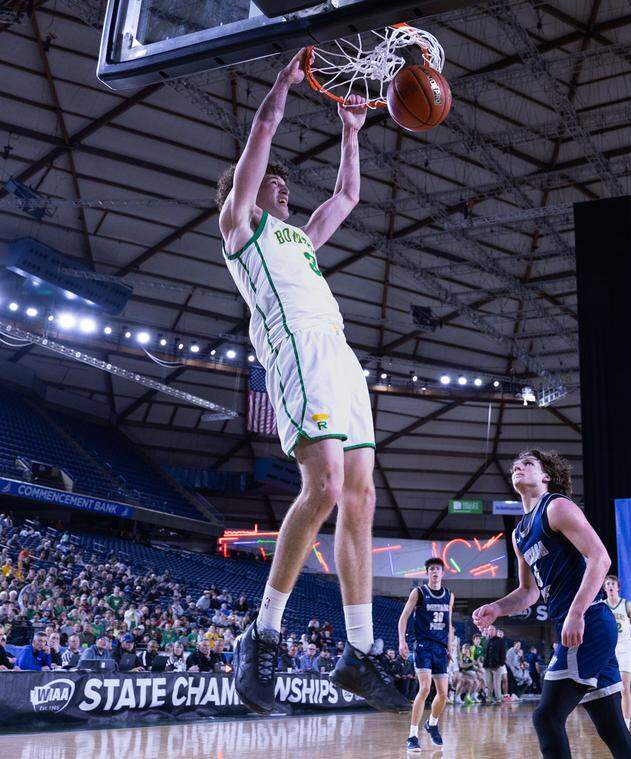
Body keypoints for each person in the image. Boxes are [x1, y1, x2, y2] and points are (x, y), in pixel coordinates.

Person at [218, 50, 395, 716]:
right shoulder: (241, 229)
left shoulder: (301, 241)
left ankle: (360, 648)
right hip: (298, 354)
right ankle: (262, 630)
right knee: (321, 487)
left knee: (361, 496)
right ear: (245, 191)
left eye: (287, 186)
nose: (283, 190)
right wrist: (283, 87)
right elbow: (260, 139)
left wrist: (351, 133)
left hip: (342, 357)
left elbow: (347, 197)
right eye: (275, 185)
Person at [473, 449, 631, 758]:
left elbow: (600, 558)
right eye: (515, 466)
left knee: (546, 717)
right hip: (585, 626)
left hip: (588, 620)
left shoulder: (557, 506)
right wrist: (496, 608)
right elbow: (528, 593)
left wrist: (576, 612)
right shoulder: (519, 533)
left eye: (528, 464)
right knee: (612, 728)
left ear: (546, 476)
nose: (518, 468)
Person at [398, 556, 454, 751]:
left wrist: (450, 646)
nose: (435, 572)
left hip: (440, 648)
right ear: (427, 573)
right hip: (423, 646)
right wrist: (402, 641)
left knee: (444, 694)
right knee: (424, 689)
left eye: (438, 569)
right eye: (431, 569)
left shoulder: (449, 595)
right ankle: (412, 736)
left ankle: (431, 724)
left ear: (443, 573)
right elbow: (404, 617)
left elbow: (449, 623)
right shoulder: (419, 592)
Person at [603, 575, 631, 727]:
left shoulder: (627, 604)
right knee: (608, 688)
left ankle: (625, 725)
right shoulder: (602, 605)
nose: (610, 586)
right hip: (608, 648)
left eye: (613, 583)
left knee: (625, 687)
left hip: (626, 647)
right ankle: (613, 721)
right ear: (604, 588)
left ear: (618, 587)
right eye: (608, 584)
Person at [484, 627, 507, 704]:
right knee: (488, 683)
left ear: (495, 631)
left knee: (497, 684)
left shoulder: (500, 640)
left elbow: (503, 653)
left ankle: (498, 699)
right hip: (487, 666)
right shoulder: (486, 640)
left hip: (497, 665)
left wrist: (501, 663)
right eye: (489, 630)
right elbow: (485, 653)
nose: (490, 631)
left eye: (492, 630)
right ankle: (488, 699)